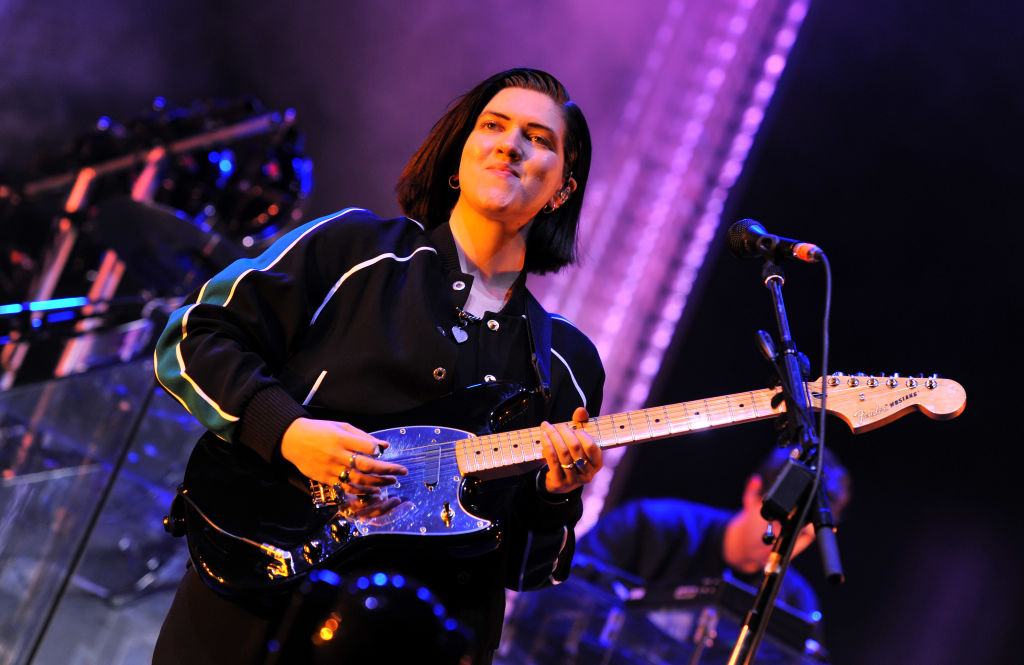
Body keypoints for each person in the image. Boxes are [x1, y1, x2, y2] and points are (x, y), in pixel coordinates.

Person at [151, 68, 605, 665]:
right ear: (460, 156)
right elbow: (193, 337)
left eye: (539, 138)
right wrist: (287, 432)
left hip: (415, 641)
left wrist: (553, 495)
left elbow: (529, 569)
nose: (510, 144)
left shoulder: (566, 363)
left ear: (563, 191)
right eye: (493, 126)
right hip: (258, 588)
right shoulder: (355, 249)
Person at [576, 446, 851, 615]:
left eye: (803, 536)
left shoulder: (796, 605)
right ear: (753, 490)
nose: (785, 542)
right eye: (780, 522)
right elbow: (564, 597)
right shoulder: (646, 524)